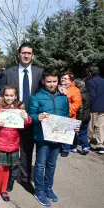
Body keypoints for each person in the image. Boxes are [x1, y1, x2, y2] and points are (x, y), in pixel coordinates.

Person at [29, 68, 79, 206]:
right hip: (43, 137)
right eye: (49, 81)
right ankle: (39, 191)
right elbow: (30, 115)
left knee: (52, 164)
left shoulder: (63, 97)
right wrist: (37, 117)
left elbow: (66, 116)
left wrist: (73, 126)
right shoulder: (36, 97)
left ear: (58, 81)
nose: (51, 84)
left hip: (58, 137)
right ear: (43, 81)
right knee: (40, 165)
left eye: (54, 81)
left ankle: (48, 188)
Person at [0, 42, 44, 193]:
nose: (26, 55)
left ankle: (25, 178)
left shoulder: (40, 73)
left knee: (27, 150)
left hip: (29, 119)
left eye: (29, 53)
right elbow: (1, 94)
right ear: (18, 54)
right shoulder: (8, 73)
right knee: (10, 150)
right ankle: (10, 178)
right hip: (11, 119)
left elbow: (45, 92)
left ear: (32, 55)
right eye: (23, 53)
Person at [0, 85, 32, 204]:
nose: (9, 97)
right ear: (3, 95)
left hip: (13, 143)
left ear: (15, 96)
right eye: (6, 95)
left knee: (7, 168)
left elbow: (26, 124)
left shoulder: (19, 108)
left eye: (11, 95)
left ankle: (4, 190)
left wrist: (26, 118)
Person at [59, 71, 82, 157]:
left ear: (70, 80)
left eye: (65, 78)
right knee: (58, 131)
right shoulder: (58, 88)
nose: (63, 80)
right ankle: (59, 147)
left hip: (69, 115)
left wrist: (67, 112)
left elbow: (76, 104)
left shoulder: (75, 90)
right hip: (58, 114)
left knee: (67, 133)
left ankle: (65, 149)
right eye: (62, 78)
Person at [86, 66, 104, 154]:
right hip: (103, 107)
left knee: (90, 125)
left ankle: (86, 142)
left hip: (93, 107)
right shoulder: (103, 80)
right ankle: (100, 145)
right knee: (100, 126)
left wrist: (88, 105)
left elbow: (91, 95)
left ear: (90, 73)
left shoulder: (90, 81)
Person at [74, 78, 91, 155]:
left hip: (81, 116)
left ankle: (73, 147)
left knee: (74, 131)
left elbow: (80, 108)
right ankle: (85, 147)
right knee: (83, 133)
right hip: (87, 116)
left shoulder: (78, 94)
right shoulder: (87, 92)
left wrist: (79, 119)